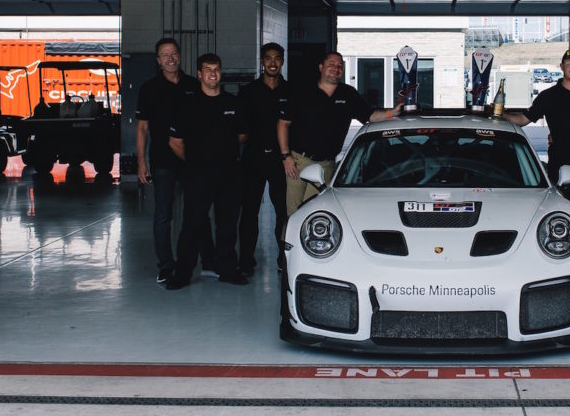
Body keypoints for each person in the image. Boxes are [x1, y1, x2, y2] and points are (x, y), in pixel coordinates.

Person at [278, 50, 401, 214]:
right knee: (293, 213)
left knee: (315, 211)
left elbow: (369, 116)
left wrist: (391, 113)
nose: (336, 69)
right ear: (321, 67)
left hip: (326, 166)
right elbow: (283, 124)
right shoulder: (303, 92)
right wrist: (286, 156)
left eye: (339, 66)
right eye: (331, 65)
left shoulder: (348, 94)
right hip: (298, 161)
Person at [135, 38, 215, 285]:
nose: (170, 58)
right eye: (164, 55)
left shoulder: (194, 84)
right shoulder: (149, 88)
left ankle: (209, 263)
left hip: (193, 160)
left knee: (199, 210)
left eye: (174, 53)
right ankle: (166, 265)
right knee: (163, 215)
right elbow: (142, 128)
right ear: (158, 60)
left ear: (180, 56)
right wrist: (141, 161)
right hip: (162, 161)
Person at [166, 53, 248, 290]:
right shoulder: (188, 104)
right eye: (208, 69)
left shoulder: (233, 103)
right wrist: (194, 162)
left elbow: (242, 135)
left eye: (217, 69)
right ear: (200, 74)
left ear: (221, 73)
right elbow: (174, 141)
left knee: (228, 225)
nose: (213, 73)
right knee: (192, 224)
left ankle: (227, 270)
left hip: (230, 175)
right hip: (198, 175)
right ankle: (182, 273)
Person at [503, 49, 570, 212]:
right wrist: (498, 113)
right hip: (559, 164)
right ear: (561, 67)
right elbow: (523, 119)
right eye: (569, 64)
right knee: (558, 212)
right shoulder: (548, 96)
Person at [238, 42, 290, 275]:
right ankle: (246, 260)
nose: (272, 62)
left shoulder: (291, 92)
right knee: (249, 212)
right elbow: (240, 130)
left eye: (277, 58)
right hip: (253, 159)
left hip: (280, 161)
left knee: (283, 212)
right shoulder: (248, 92)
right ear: (262, 61)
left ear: (282, 61)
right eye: (268, 58)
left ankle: (283, 258)